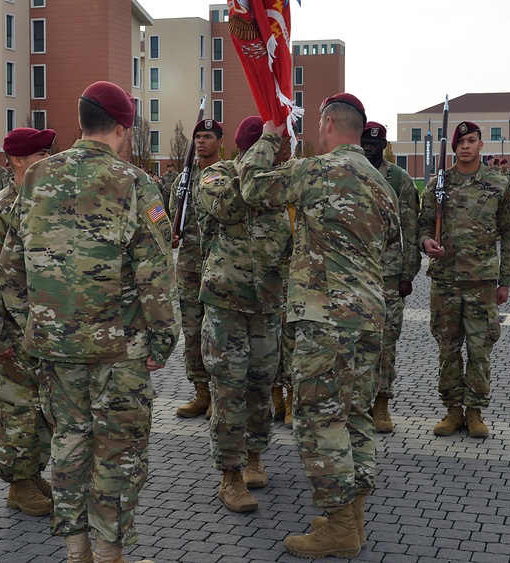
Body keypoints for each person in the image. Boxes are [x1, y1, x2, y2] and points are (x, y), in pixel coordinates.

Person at [0, 80, 175, 563]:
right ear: (123, 128)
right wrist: (163, 340)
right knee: (117, 454)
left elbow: (11, 268)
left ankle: (77, 552)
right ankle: (108, 554)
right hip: (119, 352)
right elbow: (156, 274)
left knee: (69, 444)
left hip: (57, 351)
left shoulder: (35, 178)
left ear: (82, 123)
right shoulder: (135, 183)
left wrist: (37, 325)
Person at [238, 93, 399, 559]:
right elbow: (391, 243)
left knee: (317, 419)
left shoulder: (316, 171)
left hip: (323, 319)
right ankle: (354, 514)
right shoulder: (381, 182)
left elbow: (253, 187)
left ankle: (339, 524)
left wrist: (269, 137)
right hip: (368, 317)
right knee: (355, 416)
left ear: (328, 124)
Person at [196, 115, 292, 513]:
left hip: (268, 306)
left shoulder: (283, 181)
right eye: (273, 145)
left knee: (259, 387)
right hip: (227, 306)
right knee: (228, 390)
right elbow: (229, 206)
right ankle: (229, 476)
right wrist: (262, 154)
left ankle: (255, 456)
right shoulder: (218, 176)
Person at [0, 127, 57, 518]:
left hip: (40, 328)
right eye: (42, 155)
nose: (50, 161)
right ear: (18, 161)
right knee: (19, 406)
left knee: (41, 405)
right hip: (11, 331)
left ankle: (33, 471)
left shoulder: (39, 202)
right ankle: (18, 484)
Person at [418, 120, 510, 440]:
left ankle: (475, 412)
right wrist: (426, 243)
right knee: (447, 348)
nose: (465, 146)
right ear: (454, 147)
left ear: (481, 145)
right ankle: (452, 410)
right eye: (460, 142)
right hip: (446, 281)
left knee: (480, 348)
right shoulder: (438, 184)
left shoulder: (499, 185)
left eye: (472, 140)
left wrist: (505, 280)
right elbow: (421, 227)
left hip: (481, 283)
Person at [359, 121, 419, 434]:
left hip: (388, 274)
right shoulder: (347, 172)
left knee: (386, 342)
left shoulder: (399, 179)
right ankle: (357, 403)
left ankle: (381, 403)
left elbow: (410, 227)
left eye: (374, 144)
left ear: (384, 146)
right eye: (364, 144)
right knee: (353, 341)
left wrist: (408, 273)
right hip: (351, 274)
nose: (369, 149)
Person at [169, 118, 223, 419]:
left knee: (217, 335)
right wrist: (169, 234)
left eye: (207, 137)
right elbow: (163, 215)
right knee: (192, 334)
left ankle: (218, 395)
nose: (201, 142)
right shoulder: (183, 181)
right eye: (198, 137)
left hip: (218, 269)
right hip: (189, 269)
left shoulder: (226, 176)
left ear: (219, 142)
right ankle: (201, 392)